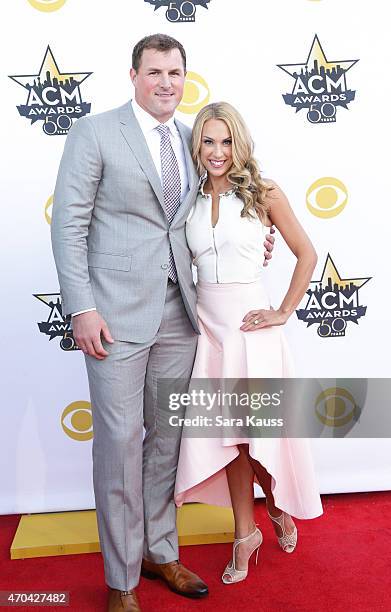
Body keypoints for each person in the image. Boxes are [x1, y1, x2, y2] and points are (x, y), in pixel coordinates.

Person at [51, 35, 274, 612]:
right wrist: (81, 308)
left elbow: (209, 216)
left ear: (185, 77)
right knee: (120, 446)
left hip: (183, 315)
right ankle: (122, 581)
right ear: (133, 76)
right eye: (155, 72)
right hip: (114, 319)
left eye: (175, 73)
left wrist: (256, 242)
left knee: (166, 444)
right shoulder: (95, 133)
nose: (166, 83)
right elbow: (68, 227)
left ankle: (158, 550)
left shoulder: (190, 140)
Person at [175, 102, 323, 585]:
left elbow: (307, 253)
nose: (217, 152)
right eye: (208, 141)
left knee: (255, 439)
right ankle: (245, 533)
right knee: (231, 441)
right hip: (208, 331)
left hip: (251, 332)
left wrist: (282, 311)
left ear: (239, 144)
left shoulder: (264, 193)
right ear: (197, 145)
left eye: (226, 141)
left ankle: (278, 507)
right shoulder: (187, 199)